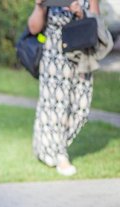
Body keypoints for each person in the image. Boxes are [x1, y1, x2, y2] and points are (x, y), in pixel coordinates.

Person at [28, 0, 99, 176]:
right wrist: (39, 5)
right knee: (56, 108)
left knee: (81, 107)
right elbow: (34, 29)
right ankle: (60, 155)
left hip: (81, 54)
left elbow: (96, 22)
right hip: (54, 56)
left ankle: (46, 145)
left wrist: (80, 13)